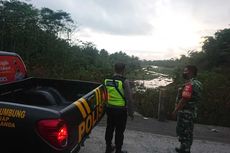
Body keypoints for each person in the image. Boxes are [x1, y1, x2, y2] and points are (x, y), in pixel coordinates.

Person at [104, 62, 134, 153]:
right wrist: (131, 113)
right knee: (119, 131)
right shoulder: (124, 81)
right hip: (120, 110)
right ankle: (118, 150)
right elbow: (129, 99)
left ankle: (108, 147)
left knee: (109, 128)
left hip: (109, 109)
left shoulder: (107, 80)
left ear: (114, 69)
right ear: (123, 70)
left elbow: (104, 96)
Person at [172, 65, 203, 153]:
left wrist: (175, 110)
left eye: (185, 71)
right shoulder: (198, 83)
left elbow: (184, 99)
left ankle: (185, 149)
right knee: (188, 131)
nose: (184, 73)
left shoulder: (190, 84)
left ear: (191, 72)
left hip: (185, 112)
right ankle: (184, 148)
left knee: (184, 131)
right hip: (192, 112)